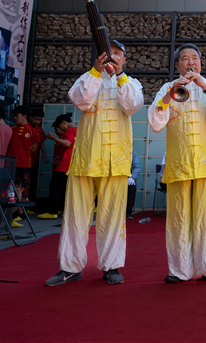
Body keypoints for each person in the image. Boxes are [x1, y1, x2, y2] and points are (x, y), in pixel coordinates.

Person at [45, 41, 143, 287]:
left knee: (111, 215)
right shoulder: (87, 78)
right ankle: (69, 267)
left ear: (125, 61)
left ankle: (111, 267)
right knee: (75, 215)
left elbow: (132, 106)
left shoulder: (132, 83)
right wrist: (96, 72)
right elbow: (81, 101)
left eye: (118, 55)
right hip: (86, 159)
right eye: (109, 54)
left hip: (116, 162)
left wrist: (119, 75)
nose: (113, 58)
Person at [148, 43, 206, 284]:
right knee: (178, 218)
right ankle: (180, 270)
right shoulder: (167, 88)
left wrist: (204, 87)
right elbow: (155, 122)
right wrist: (167, 94)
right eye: (185, 59)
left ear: (201, 63)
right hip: (179, 163)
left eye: (195, 58)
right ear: (177, 65)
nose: (190, 62)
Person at [39, 114, 75, 220]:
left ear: (64, 123)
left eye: (59, 126)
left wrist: (54, 138)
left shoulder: (69, 130)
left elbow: (68, 143)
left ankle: (52, 211)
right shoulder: (78, 130)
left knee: (55, 188)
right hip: (71, 164)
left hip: (64, 165)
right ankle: (63, 210)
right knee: (64, 189)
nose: (60, 130)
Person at [7, 106, 37, 202]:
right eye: (14, 116)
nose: (15, 118)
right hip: (11, 163)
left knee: (24, 187)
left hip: (24, 164)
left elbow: (34, 148)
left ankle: (21, 213)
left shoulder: (32, 131)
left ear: (24, 116)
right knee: (11, 186)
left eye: (17, 115)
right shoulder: (10, 129)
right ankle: (11, 212)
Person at [28, 109, 49, 213]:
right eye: (36, 119)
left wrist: (44, 155)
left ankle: (30, 206)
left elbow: (41, 144)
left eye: (39, 120)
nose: (37, 122)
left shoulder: (39, 130)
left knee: (33, 184)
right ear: (30, 117)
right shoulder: (25, 127)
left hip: (34, 161)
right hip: (24, 161)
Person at [126, 150, 141, 219]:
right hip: (116, 177)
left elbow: (137, 166)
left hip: (129, 177)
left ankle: (128, 212)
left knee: (131, 187)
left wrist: (132, 177)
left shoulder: (133, 153)